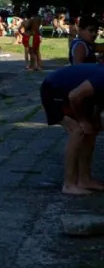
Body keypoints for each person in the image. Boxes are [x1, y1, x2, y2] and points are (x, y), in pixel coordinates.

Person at [40, 64, 104, 195]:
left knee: (90, 131)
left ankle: (84, 180)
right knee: (78, 130)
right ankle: (68, 184)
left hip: (72, 95)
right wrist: (82, 120)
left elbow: (99, 100)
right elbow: (74, 96)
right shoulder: (102, 77)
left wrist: (95, 118)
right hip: (53, 90)